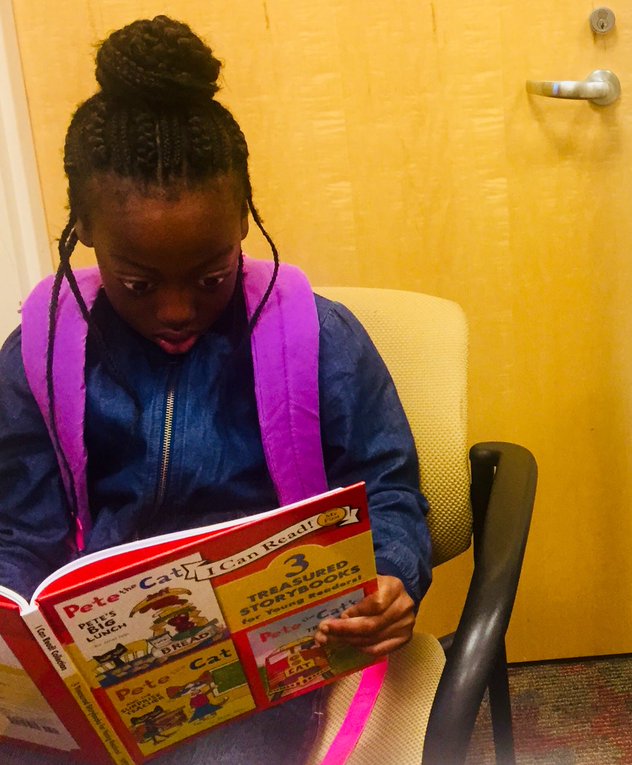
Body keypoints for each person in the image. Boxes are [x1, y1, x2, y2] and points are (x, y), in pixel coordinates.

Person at [0, 16, 431, 764]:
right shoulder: (41, 351)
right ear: (85, 228)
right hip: (99, 666)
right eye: (139, 283)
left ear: (242, 222)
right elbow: (19, 531)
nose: (176, 311)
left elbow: (387, 486)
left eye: (210, 276)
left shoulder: (317, 337)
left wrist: (391, 572)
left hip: (266, 661)